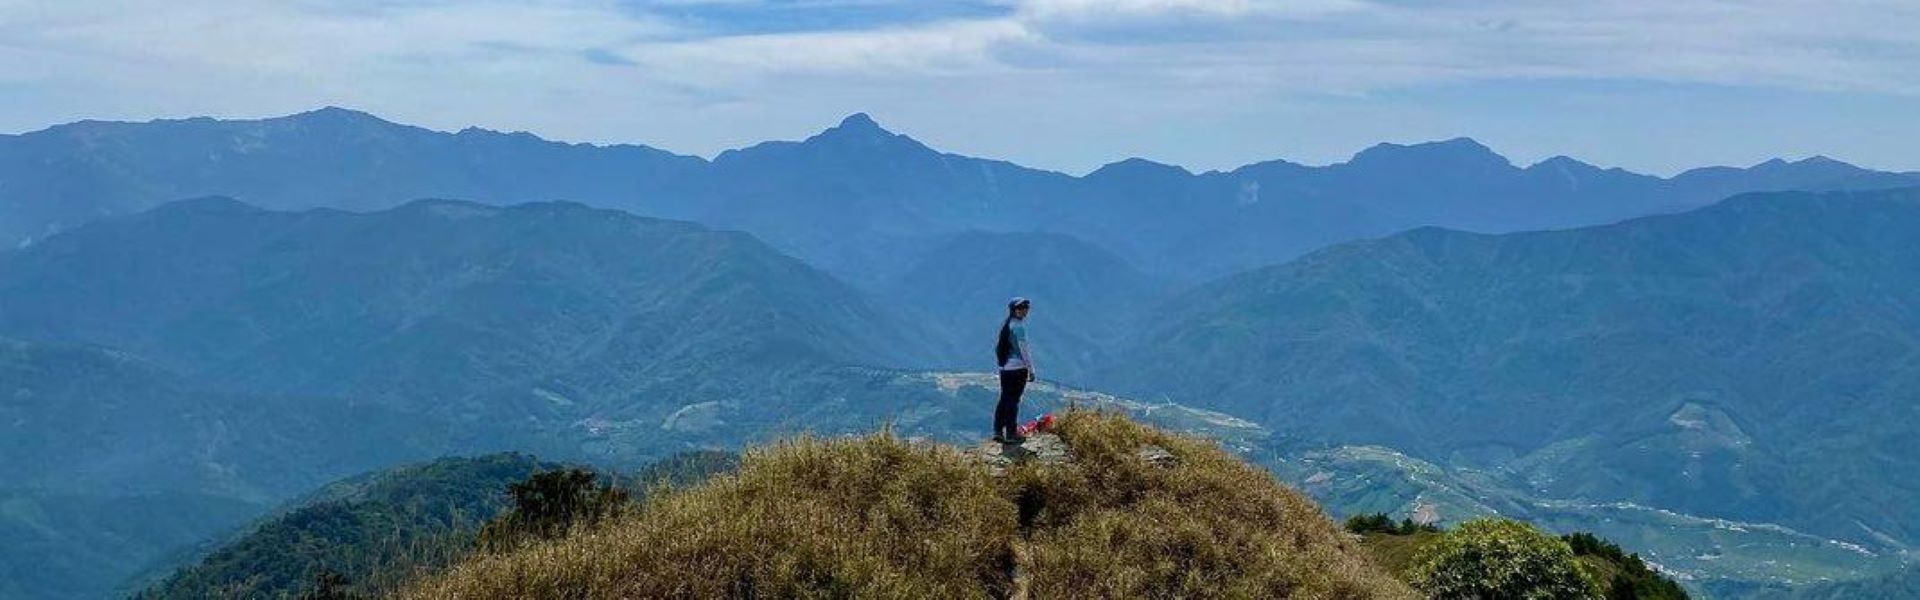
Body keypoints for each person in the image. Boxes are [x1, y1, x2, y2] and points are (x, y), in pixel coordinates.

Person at [994, 297, 1036, 443]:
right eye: (1022, 308)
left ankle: (998, 430)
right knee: (1013, 400)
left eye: (1025, 308)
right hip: (1018, 368)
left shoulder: (1006, 325)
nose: (1024, 311)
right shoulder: (1019, 327)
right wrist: (1031, 369)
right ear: (1015, 311)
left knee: (1004, 398)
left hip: (1005, 368)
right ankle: (1011, 433)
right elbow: (1024, 350)